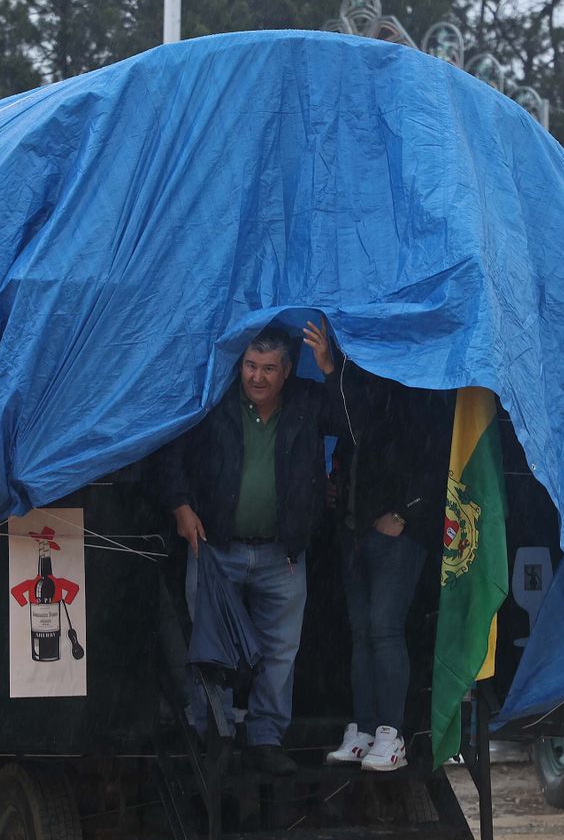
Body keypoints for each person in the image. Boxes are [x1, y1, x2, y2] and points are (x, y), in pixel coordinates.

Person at [154, 321, 344, 775]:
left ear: (288, 371)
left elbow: (350, 422)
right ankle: (213, 735)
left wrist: (329, 369)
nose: (256, 377)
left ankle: (266, 739)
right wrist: (181, 506)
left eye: (268, 368)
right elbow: (171, 451)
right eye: (250, 365)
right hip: (217, 547)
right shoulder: (216, 399)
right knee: (210, 644)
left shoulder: (307, 401)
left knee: (281, 651)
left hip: (284, 553)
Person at [325, 371, 448, 771]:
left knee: (384, 628)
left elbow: (436, 464)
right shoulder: (357, 392)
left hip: (396, 535)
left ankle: (391, 735)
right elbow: (349, 453)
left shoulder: (415, 390)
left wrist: (403, 515)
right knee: (362, 633)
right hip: (355, 531)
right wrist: (338, 490)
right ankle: (364, 730)